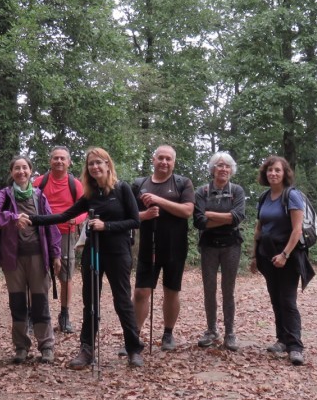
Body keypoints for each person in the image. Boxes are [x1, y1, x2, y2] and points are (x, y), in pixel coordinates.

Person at [20, 147, 144, 369]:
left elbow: (135, 221)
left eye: (99, 162)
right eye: (91, 164)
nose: (95, 167)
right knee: (90, 303)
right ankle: (86, 350)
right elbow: (65, 215)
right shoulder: (90, 194)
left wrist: (106, 226)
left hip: (118, 253)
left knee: (122, 301)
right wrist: (33, 219)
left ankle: (134, 349)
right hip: (93, 253)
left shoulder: (122, 189)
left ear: (108, 164)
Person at [0, 156, 62, 364]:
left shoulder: (39, 196)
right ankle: (21, 347)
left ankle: (46, 346)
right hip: (13, 259)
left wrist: (56, 254)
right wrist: (12, 217)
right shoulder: (5, 195)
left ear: (31, 171)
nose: (21, 172)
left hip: (38, 255)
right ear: (11, 172)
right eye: (17, 168)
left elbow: (51, 226)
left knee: (40, 302)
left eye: (24, 168)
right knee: (17, 303)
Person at [252, 155, 315, 366]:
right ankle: (281, 340)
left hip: (288, 256)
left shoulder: (292, 196)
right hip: (267, 255)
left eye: (277, 170)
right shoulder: (264, 197)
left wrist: (285, 255)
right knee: (275, 299)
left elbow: (297, 229)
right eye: (270, 170)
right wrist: (254, 255)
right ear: (265, 173)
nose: (273, 174)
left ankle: (295, 346)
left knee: (287, 300)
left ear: (284, 173)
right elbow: (259, 228)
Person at [131, 144, 194, 352]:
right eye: (161, 158)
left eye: (168, 159)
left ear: (173, 162)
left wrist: (158, 200)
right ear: (153, 159)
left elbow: (187, 211)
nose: (164, 162)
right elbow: (127, 216)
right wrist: (144, 215)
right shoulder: (140, 184)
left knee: (171, 291)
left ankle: (168, 333)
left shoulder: (182, 183)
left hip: (175, 246)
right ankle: (134, 336)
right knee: (141, 292)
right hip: (148, 247)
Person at [192, 152, 246, 351]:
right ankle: (211, 330)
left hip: (231, 244)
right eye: (219, 165)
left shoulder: (237, 190)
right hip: (209, 245)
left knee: (228, 289)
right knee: (209, 289)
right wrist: (225, 217)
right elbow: (199, 221)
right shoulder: (202, 191)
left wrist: (211, 216)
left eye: (227, 166)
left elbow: (238, 216)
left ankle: (230, 332)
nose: (223, 169)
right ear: (213, 169)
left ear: (231, 170)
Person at [34, 146, 85, 334]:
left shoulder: (75, 184)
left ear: (69, 162)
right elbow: (30, 203)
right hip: (41, 234)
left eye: (63, 158)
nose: (59, 161)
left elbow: (85, 208)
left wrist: (77, 220)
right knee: (38, 275)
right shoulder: (40, 182)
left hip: (65, 233)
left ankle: (64, 315)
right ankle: (37, 315)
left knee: (66, 277)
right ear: (50, 161)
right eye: (55, 158)